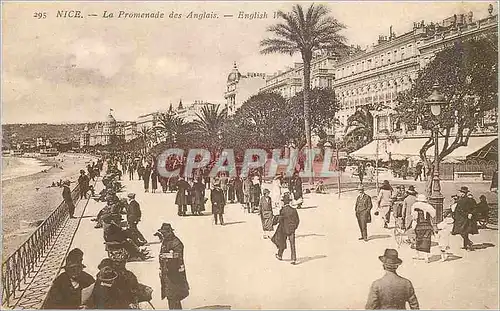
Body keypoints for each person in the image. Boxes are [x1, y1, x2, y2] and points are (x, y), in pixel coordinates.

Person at [157, 223, 190, 310]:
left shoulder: (176, 243)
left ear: (170, 232)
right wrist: (161, 269)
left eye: (164, 233)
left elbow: (178, 257)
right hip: (167, 273)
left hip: (175, 274)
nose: (163, 235)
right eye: (162, 233)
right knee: (170, 296)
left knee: (174, 296)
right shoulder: (166, 240)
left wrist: (167, 256)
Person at [271, 192, 300, 265]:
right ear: (289, 202)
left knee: (282, 242)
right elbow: (297, 220)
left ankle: (280, 255)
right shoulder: (293, 210)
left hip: (284, 229)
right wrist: (294, 227)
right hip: (291, 230)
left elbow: (280, 219)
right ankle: (293, 259)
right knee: (292, 244)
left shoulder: (283, 210)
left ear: (284, 202)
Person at [452, 186, 478, 251]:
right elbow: (457, 209)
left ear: (466, 193)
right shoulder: (460, 200)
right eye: (461, 192)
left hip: (465, 218)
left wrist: (471, 213)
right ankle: (468, 243)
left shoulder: (470, 200)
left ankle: (467, 244)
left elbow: (475, 208)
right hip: (459, 218)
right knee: (461, 231)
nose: (462, 193)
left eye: (463, 192)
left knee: (464, 231)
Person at [411, 194, 436, 263]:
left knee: (418, 240)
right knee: (426, 241)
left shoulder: (415, 205)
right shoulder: (429, 206)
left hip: (419, 226)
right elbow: (433, 215)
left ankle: (418, 255)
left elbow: (414, 217)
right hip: (427, 225)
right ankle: (426, 257)